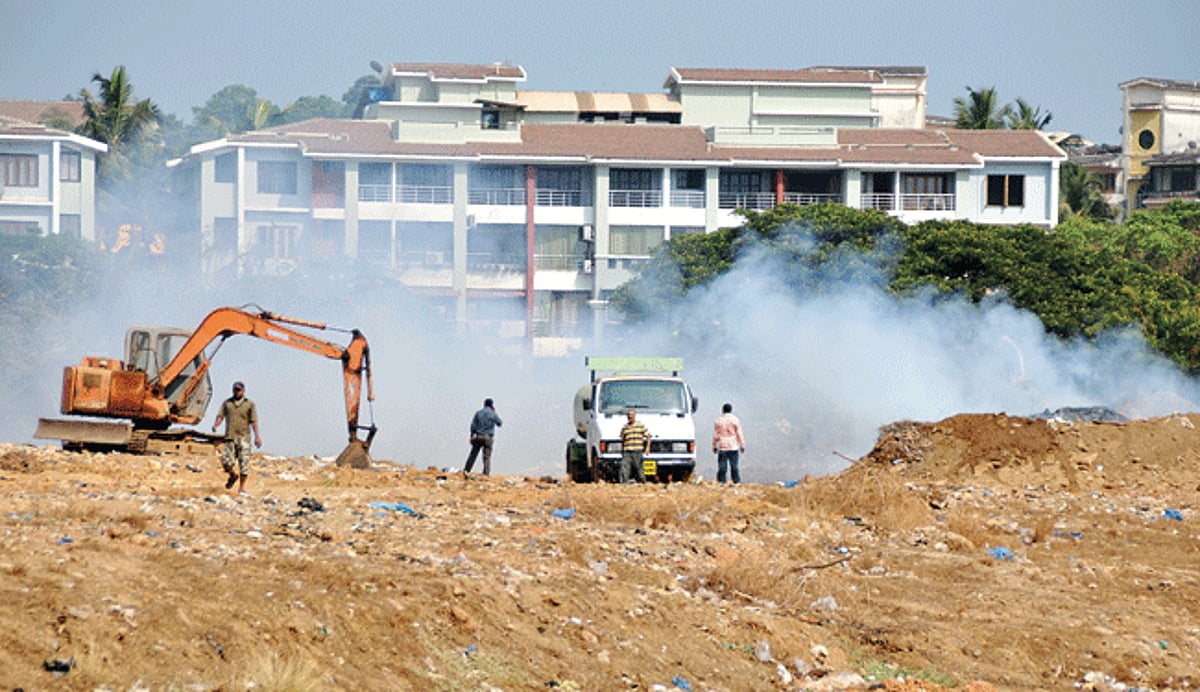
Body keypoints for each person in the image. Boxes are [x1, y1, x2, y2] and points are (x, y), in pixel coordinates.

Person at [211, 381, 262, 495]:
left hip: (244, 437)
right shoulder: (227, 404)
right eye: (235, 389)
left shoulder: (249, 404)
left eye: (239, 390)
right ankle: (233, 475)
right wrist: (216, 425)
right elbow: (221, 416)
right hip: (230, 437)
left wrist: (257, 437)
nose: (236, 392)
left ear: (243, 391)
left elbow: (254, 421)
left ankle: (241, 488)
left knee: (244, 465)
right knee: (226, 462)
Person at [464, 398, 503, 476]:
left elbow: (473, 426)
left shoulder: (478, 413)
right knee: (486, 458)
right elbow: (500, 423)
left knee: (473, 455)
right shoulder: (492, 414)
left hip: (478, 436)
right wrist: (494, 413)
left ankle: (466, 471)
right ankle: (486, 474)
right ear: (492, 405)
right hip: (488, 437)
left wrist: (472, 436)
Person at [712, 402, 746, 484]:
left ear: (723, 410)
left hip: (722, 446)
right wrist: (742, 445)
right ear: (731, 410)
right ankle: (736, 481)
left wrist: (714, 446)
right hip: (733, 446)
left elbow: (716, 435)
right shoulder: (735, 420)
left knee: (722, 467)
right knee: (734, 466)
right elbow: (739, 433)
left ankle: (721, 482)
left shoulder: (719, 421)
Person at [619, 409, 650, 483]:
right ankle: (624, 483)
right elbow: (623, 439)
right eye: (629, 415)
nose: (630, 416)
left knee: (638, 468)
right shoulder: (625, 427)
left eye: (632, 415)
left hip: (637, 450)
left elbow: (648, 437)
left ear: (635, 415)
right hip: (627, 450)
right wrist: (622, 449)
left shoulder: (640, 425)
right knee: (624, 467)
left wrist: (647, 448)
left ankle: (642, 482)